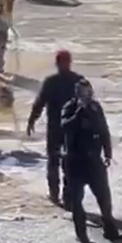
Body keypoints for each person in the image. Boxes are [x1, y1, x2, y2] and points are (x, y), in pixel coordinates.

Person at [61, 79, 122, 243]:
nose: (87, 95)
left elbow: (104, 130)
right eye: (83, 93)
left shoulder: (96, 107)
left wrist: (108, 152)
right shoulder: (69, 107)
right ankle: (82, 235)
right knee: (77, 200)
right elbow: (65, 126)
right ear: (77, 93)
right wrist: (79, 112)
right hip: (75, 161)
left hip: (94, 161)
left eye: (89, 92)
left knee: (104, 198)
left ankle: (110, 231)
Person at [27, 49, 82, 206]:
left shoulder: (51, 81)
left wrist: (32, 119)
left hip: (59, 128)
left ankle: (56, 195)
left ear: (56, 63)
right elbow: (89, 104)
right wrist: (32, 119)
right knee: (67, 162)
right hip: (71, 129)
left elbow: (40, 103)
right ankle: (66, 197)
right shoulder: (78, 81)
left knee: (56, 161)